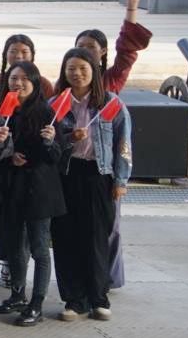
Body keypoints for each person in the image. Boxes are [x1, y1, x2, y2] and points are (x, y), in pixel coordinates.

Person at [75, 0, 151, 289]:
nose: (86, 52)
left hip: (105, 168)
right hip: (76, 168)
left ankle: (107, 278)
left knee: (109, 226)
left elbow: (127, 50)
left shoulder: (111, 81)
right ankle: (83, 274)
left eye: (91, 48)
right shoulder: (68, 85)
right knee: (77, 225)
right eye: (80, 47)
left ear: (102, 52)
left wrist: (132, 7)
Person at [51, 49, 132, 322]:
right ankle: (74, 300)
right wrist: (69, 138)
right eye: (71, 68)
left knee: (96, 238)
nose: (77, 74)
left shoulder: (110, 104)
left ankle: (98, 298)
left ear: (94, 71)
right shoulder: (57, 104)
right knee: (66, 238)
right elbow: (49, 143)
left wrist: (120, 180)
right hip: (66, 175)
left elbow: (123, 143)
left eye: (83, 68)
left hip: (98, 175)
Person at [0, 62, 63, 326]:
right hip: (12, 189)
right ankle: (17, 295)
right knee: (15, 247)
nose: (18, 83)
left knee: (39, 248)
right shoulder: (4, 112)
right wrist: (5, 151)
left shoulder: (46, 112)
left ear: (34, 83)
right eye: (13, 78)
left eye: (24, 79)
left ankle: (37, 303)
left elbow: (55, 156)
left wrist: (49, 141)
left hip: (39, 191)